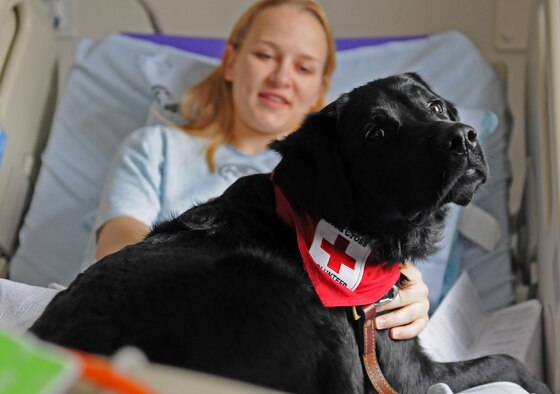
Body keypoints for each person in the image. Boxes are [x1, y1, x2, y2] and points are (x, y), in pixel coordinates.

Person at [2, 0, 428, 342]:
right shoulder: (156, 149)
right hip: (131, 312)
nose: (281, 77)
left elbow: (369, 267)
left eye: (303, 67)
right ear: (230, 61)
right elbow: (119, 250)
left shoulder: (330, 184)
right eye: (265, 55)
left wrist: (409, 295)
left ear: (320, 89)